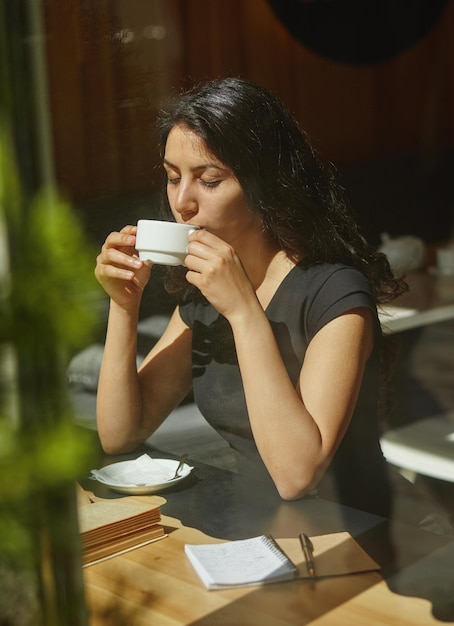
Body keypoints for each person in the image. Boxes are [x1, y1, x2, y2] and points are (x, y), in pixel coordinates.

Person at [94, 76, 406, 516]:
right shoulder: (204, 292)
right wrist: (124, 305)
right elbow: (121, 433)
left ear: (266, 184)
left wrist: (244, 311)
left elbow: (298, 476)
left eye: (210, 179)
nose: (182, 201)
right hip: (254, 522)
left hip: (352, 532)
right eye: (172, 177)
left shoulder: (334, 292)